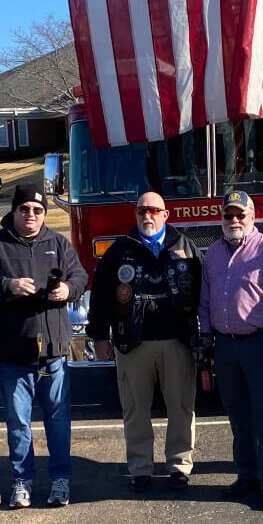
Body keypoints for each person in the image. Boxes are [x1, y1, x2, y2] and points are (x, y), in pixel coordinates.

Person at [0, 182, 87, 509]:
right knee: (18, 423)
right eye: (24, 209)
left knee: (58, 420)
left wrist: (67, 290)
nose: (31, 215)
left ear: (45, 213)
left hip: (53, 353)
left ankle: (60, 480)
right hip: (13, 353)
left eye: (38, 210)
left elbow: (80, 278)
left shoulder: (58, 243)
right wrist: (7, 285)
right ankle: (22, 481)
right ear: (14, 210)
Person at [87, 192, 202, 492]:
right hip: (133, 343)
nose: (146, 216)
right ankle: (140, 468)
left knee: (181, 407)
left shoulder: (185, 246)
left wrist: (205, 334)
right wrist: (99, 336)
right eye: (141, 211)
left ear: (166, 214)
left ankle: (179, 466)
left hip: (177, 341)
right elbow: (100, 296)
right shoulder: (119, 251)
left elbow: (205, 290)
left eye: (153, 210)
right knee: (136, 409)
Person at [199, 190, 263, 510]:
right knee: (238, 413)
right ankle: (247, 474)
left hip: (261, 343)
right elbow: (204, 299)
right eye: (228, 215)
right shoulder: (212, 253)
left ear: (251, 215)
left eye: (240, 215)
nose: (234, 220)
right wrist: (204, 336)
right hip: (225, 346)